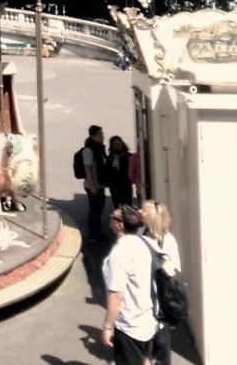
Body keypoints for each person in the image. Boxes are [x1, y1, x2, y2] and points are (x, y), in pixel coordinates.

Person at [101, 204, 158, 364]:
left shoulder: (119, 253)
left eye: (112, 217)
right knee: (145, 361)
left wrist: (107, 327)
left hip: (129, 325)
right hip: (147, 320)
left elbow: (116, 294)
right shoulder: (143, 243)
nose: (110, 219)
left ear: (120, 225)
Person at [142, 200, 180, 365]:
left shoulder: (167, 241)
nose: (140, 212)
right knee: (146, 345)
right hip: (143, 297)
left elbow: (174, 271)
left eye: (143, 211)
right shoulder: (139, 232)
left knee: (161, 342)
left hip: (159, 300)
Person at [82, 124, 108, 242]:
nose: (102, 137)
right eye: (99, 135)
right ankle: (94, 235)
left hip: (100, 184)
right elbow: (87, 168)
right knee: (95, 210)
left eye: (102, 134)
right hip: (92, 185)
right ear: (92, 136)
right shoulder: (89, 150)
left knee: (99, 208)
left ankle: (97, 233)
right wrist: (92, 185)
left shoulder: (99, 147)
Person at [106, 135, 137, 209]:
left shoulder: (129, 156)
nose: (118, 146)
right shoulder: (110, 158)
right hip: (114, 187)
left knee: (127, 206)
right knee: (117, 207)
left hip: (126, 186)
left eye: (119, 143)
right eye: (115, 144)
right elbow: (107, 172)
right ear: (112, 146)